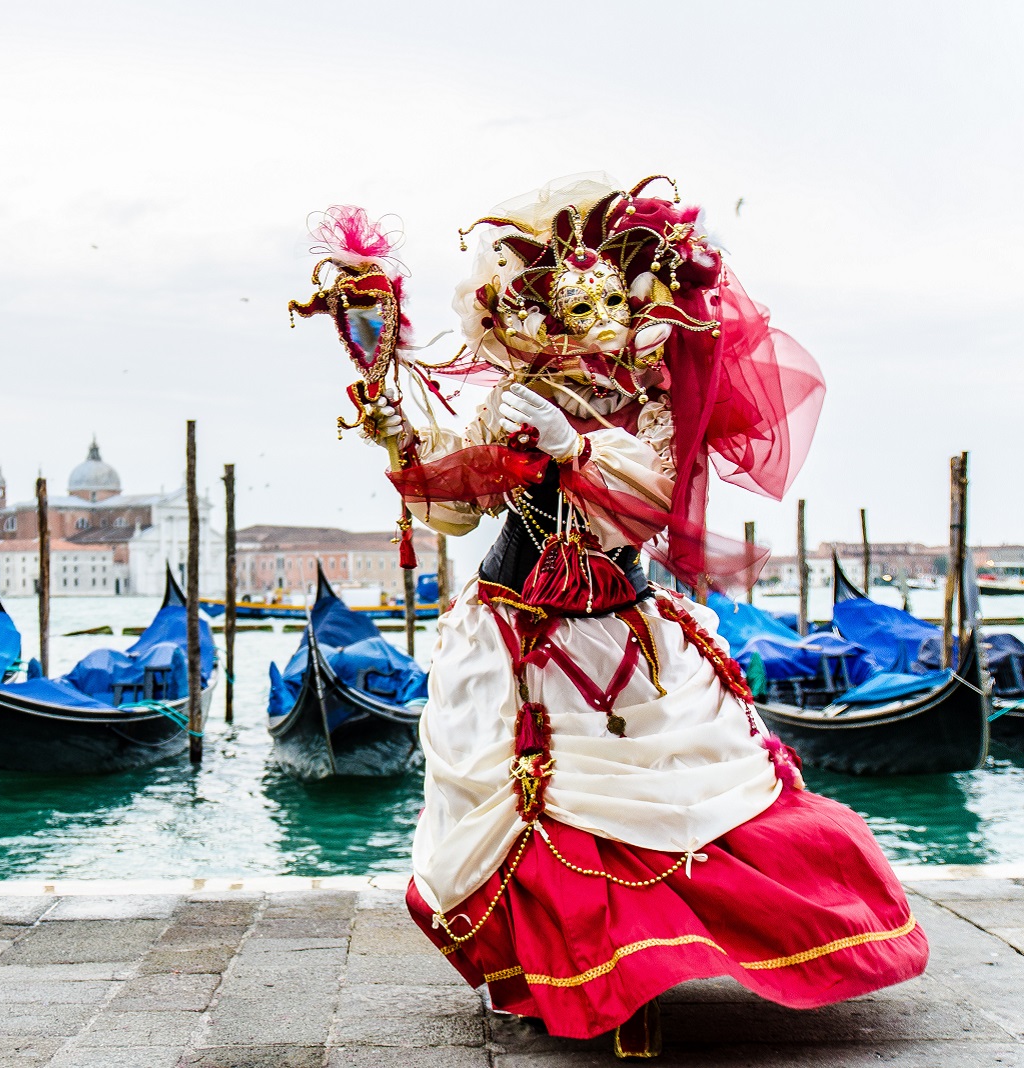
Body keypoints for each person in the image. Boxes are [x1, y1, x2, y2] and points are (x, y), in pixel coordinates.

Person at [290, 175, 927, 1058]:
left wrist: (574, 444)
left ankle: (631, 981)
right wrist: (401, 438)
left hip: (621, 629)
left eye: (583, 305)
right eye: (549, 306)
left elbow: (653, 502)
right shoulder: (507, 392)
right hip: (511, 627)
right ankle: (544, 974)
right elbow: (458, 510)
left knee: (651, 796)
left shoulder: (650, 396)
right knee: (515, 802)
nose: (569, 327)